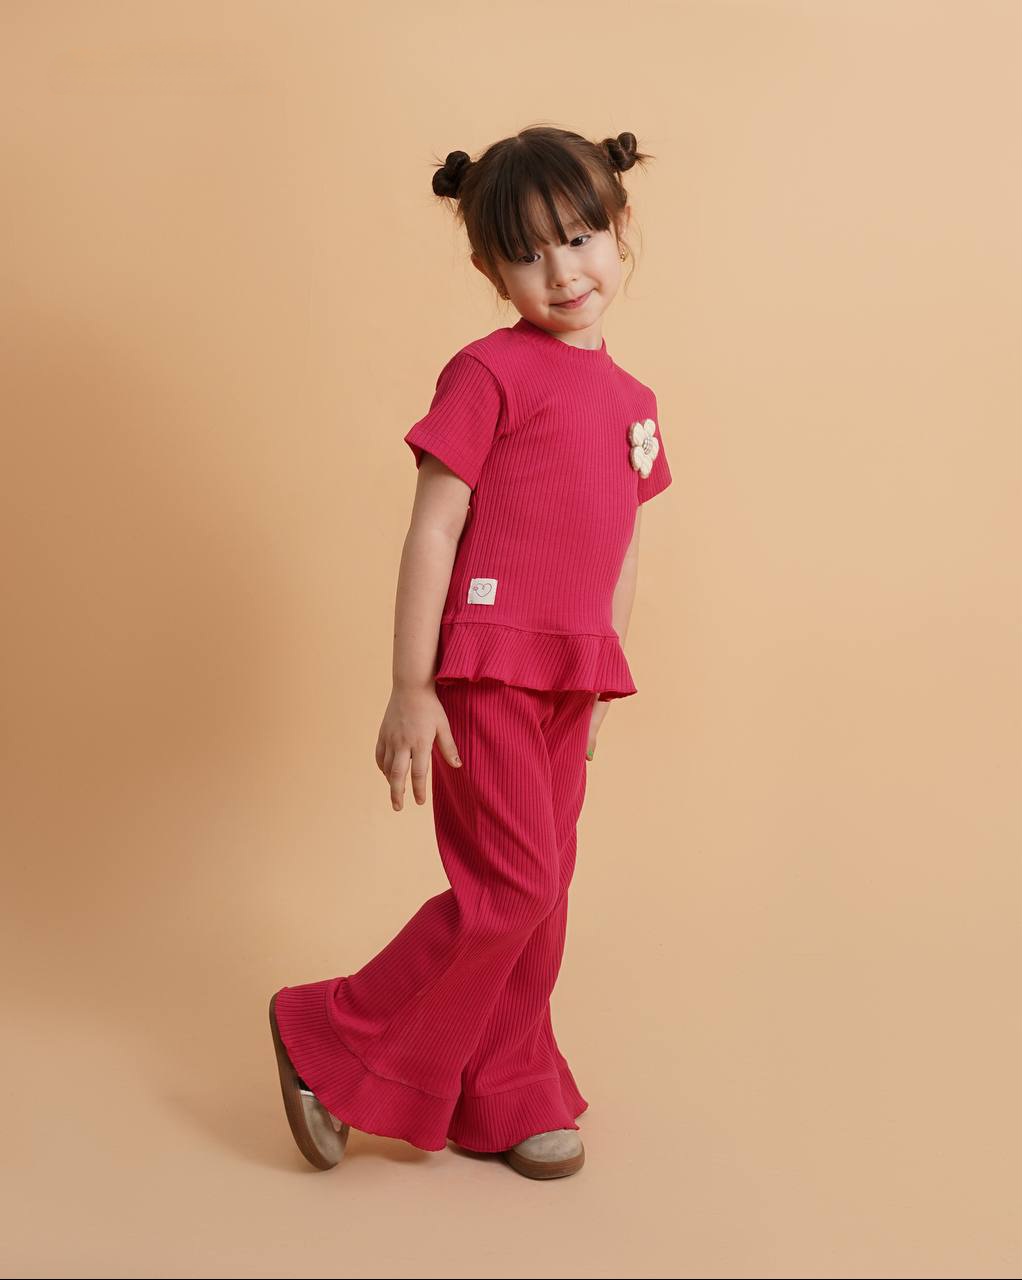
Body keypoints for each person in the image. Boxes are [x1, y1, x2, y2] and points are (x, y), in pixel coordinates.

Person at [269, 124, 673, 1180]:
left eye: (579, 239)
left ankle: (508, 1087)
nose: (563, 272)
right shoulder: (488, 373)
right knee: (514, 883)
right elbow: (433, 528)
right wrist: (411, 684)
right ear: (490, 270)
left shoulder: (634, 404)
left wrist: (602, 679)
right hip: (484, 668)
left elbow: (621, 545)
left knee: (547, 893)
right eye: (528, 254)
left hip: (571, 676)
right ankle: (330, 1032)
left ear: (619, 230)